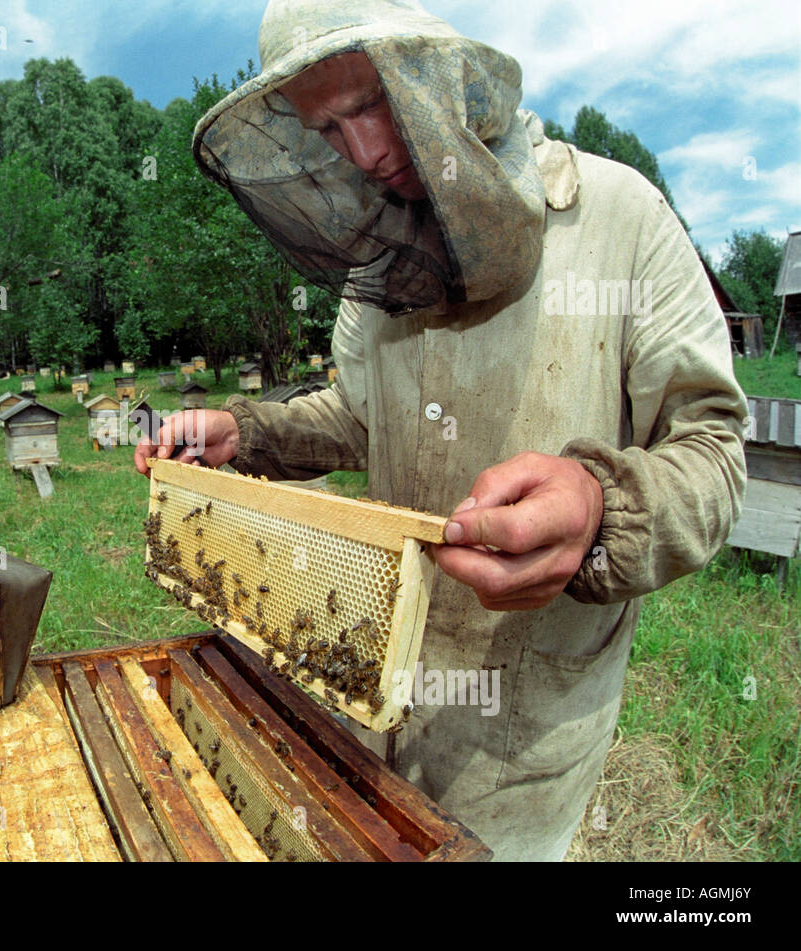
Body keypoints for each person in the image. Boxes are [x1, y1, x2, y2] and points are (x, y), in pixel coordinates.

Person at [134, 0, 747, 860]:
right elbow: (356, 416)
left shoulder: (621, 217)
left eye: (372, 105)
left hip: (523, 748)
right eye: (330, 130)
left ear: (438, 72)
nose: (366, 154)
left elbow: (716, 451)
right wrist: (250, 433)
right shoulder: (377, 262)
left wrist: (601, 504)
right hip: (369, 710)